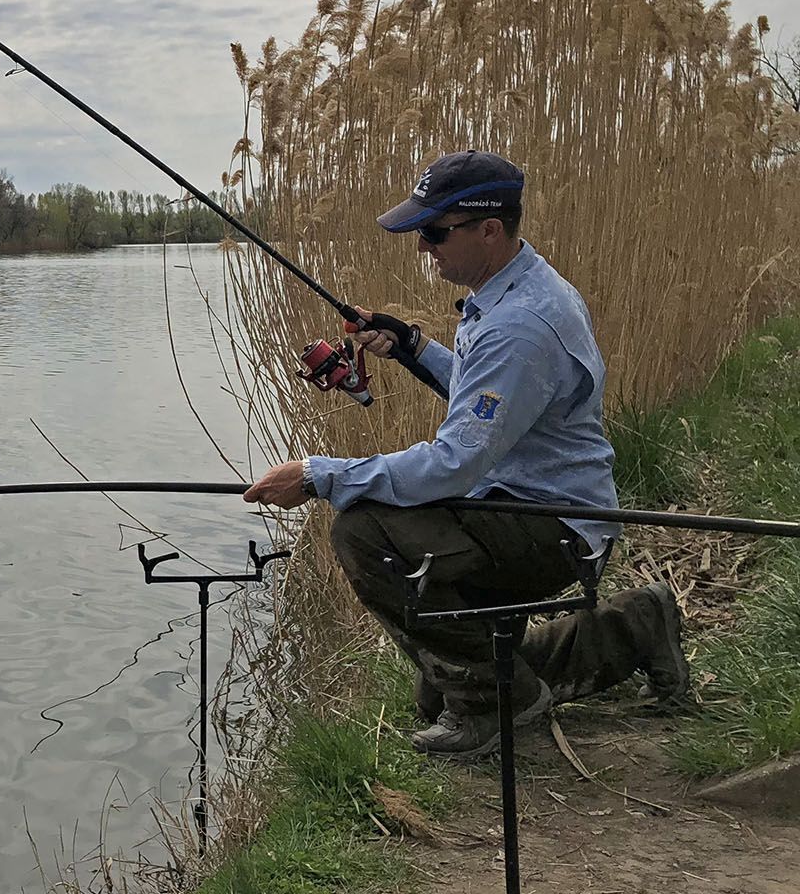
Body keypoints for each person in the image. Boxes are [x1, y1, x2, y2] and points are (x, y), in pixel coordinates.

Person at [242, 150, 688, 756]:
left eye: (434, 232)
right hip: (528, 507)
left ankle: (491, 704)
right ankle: (633, 625)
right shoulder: (515, 289)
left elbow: (458, 461)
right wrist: (411, 345)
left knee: (364, 532)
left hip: (550, 526)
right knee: (468, 664)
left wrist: (320, 475)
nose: (424, 247)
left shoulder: (520, 324)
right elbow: (494, 400)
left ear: (489, 229)